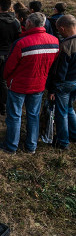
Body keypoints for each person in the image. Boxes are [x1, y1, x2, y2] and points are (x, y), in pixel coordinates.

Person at [0, 12, 59, 154]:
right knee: (33, 115)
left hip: (19, 85)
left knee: (14, 115)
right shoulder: (55, 41)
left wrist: (7, 78)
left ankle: (11, 146)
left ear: (29, 23)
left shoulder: (21, 43)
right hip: (39, 84)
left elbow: (9, 66)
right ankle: (31, 146)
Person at [48, 14, 76, 151]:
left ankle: (63, 142)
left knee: (62, 112)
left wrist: (53, 89)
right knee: (70, 108)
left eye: (59, 29)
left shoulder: (65, 45)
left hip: (65, 83)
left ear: (63, 28)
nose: (58, 32)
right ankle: (74, 134)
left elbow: (60, 71)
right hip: (75, 82)